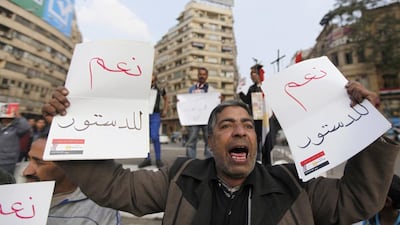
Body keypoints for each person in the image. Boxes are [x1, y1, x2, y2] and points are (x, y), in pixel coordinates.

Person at [42, 81, 399, 225]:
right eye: (227, 125)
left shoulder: (294, 183)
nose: (240, 130)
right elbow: (115, 188)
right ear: (211, 141)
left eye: (246, 124)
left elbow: (357, 199)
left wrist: (367, 130)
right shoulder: (180, 179)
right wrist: (70, 126)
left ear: (255, 140)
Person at [23, 134, 122, 225]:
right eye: (29, 159)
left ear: (69, 167)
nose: (26, 172)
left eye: (39, 163)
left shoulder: (99, 210)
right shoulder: (17, 195)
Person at [139, 74, 169, 168]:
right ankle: (147, 159)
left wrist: (165, 109)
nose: (151, 82)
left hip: (155, 114)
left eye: (152, 81)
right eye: (149, 80)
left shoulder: (159, 89)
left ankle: (158, 159)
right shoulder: (142, 88)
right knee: (145, 138)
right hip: (143, 114)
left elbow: (166, 98)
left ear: (155, 80)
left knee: (155, 136)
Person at [239, 63, 265, 163]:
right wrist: (240, 92)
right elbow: (247, 100)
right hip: (255, 118)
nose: (251, 76)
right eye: (251, 74)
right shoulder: (252, 88)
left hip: (266, 119)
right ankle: (256, 158)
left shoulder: (267, 86)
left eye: (253, 73)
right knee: (255, 138)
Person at [185, 67, 214, 159]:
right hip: (194, 119)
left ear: (207, 76)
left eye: (204, 74)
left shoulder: (211, 90)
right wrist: (181, 102)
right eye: (200, 74)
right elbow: (187, 102)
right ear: (198, 75)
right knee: (191, 141)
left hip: (207, 119)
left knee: (209, 141)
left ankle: (209, 161)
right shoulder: (191, 89)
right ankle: (190, 161)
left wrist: (219, 99)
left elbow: (215, 103)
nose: (202, 76)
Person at [0, 109, 31, 174]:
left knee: (5, 180)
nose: (5, 119)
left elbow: (25, 127)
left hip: (8, 162)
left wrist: (19, 116)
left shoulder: (16, 129)